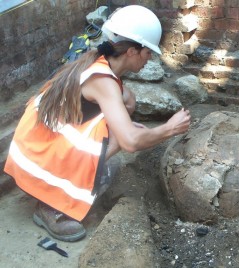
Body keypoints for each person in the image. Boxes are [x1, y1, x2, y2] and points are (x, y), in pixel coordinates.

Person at [4, 5, 191, 242]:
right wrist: (168, 129)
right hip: (35, 156)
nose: (150, 58)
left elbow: (128, 102)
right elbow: (131, 142)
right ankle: (51, 205)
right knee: (122, 139)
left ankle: (68, 175)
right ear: (132, 51)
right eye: (148, 53)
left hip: (38, 143)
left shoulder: (99, 61)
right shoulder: (102, 81)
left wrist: (125, 117)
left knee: (122, 123)